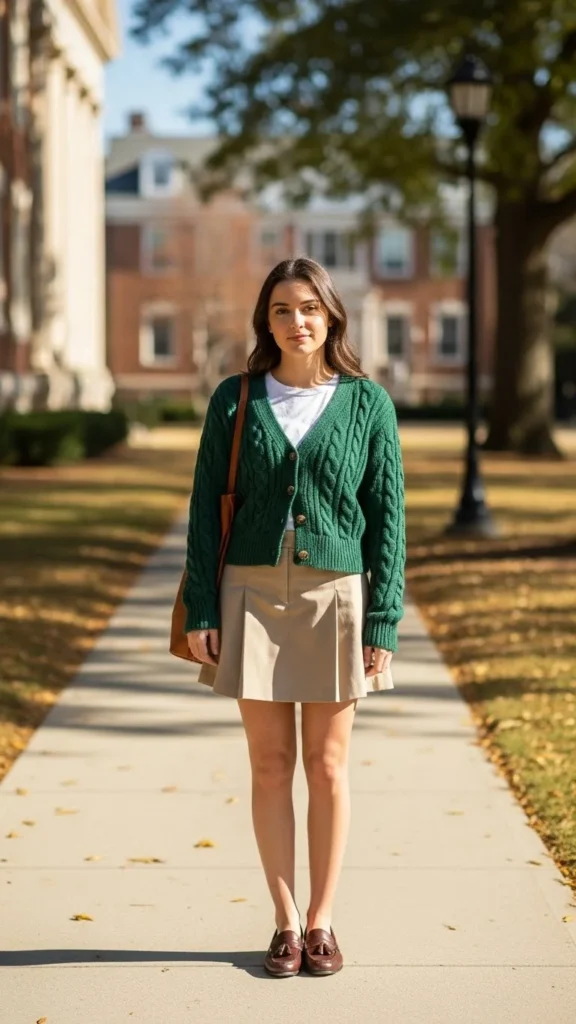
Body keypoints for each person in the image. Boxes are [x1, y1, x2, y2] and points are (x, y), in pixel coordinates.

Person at [183, 257, 405, 978]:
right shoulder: (235, 398)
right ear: (266, 321)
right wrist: (202, 605)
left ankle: (322, 921)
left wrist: (383, 620)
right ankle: (283, 920)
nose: (297, 321)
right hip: (249, 591)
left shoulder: (367, 403)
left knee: (328, 765)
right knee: (270, 762)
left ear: (331, 315)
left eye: (310, 307)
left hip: (335, 593)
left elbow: (388, 519)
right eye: (282, 309)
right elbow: (203, 508)